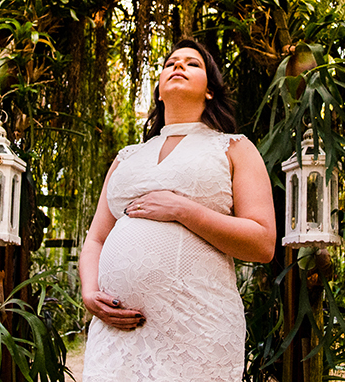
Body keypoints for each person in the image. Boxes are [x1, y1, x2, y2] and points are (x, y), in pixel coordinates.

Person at [79, 38, 276, 382]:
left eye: (192, 63)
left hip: (197, 327)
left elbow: (262, 242)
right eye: (170, 63)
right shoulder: (127, 157)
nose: (178, 66)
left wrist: (183, 210)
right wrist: (89, 292)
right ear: (158, 91)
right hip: (117, 334)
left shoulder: (234, 148)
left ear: (210, 91)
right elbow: (96, 238)